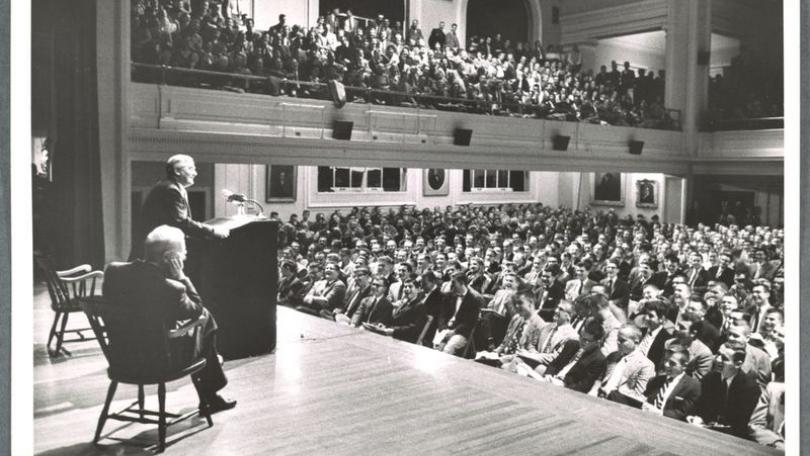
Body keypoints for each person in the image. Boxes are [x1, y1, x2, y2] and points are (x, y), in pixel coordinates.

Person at [104, 225, 236, 414]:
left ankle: (212, 378)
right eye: (183, 254)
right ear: (170, 257)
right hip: (156, 362)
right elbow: (196, 308)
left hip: (121, 357)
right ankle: (210, 392)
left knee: (203, 320)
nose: (185, 258)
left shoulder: (113, 272)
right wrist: (181, 277)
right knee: (205, 318)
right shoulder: (172, 289)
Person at [130, 154, 229, 260]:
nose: (195, 173)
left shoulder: (170, 186)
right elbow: (181, 223)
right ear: (177, 171)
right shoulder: (171, 189)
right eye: (191, 169)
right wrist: (213, 231)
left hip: (154, 250)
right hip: (154, 253)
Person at [640, 350, 701, 421]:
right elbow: (645, 398)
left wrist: (659, 413)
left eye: (672, 363)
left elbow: (683, 413)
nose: (666, 364)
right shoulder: (656, 380)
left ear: (684, 366)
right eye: (665, 361)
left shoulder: (693, 386)